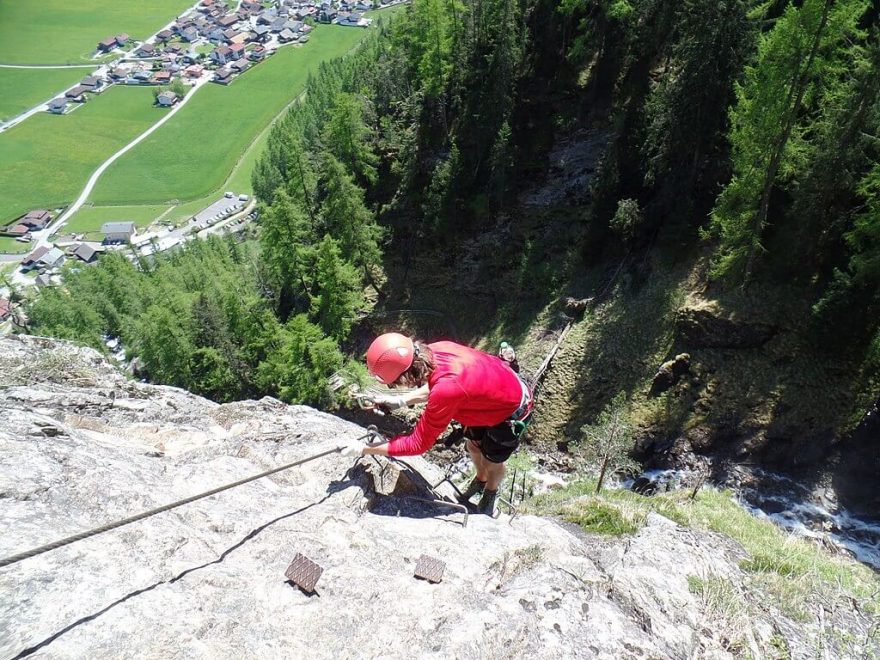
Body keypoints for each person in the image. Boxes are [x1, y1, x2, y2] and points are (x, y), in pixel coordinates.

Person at [343, 333, 534, 515]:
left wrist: (365, 448)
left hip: (510, 412)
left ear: (406, 376)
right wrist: (402, 400)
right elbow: (440, 383)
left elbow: (417, 444)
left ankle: (491, 492)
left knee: (491, 461)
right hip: (491, 396)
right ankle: (480, 480)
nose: (396, 387)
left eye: (394, 384)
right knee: (473, 447)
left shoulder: (447, 389)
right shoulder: (437, 349)